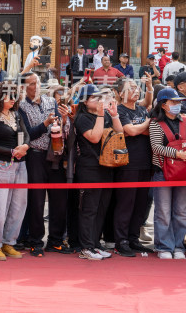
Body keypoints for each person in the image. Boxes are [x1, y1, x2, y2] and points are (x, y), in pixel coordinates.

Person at [17, 72, 71, 257]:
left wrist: (63, 120)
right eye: (32, 84)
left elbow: (61, 128)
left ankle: (55, 240)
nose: (36, 86)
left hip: (55, 153)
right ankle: (35, 241)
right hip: (35, 156)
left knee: (59, 200)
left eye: (38, 82)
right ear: (24, 87)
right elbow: (28, 135)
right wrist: (45, 123)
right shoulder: (21, 107)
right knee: (37, 201)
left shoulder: (51, 101)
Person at [73, 84, 123, 261]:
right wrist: (102, 115)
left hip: (107, 166)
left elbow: (119, 132)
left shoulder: (105, 115)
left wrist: (114, 113)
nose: (100, 100)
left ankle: (94, 243)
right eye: (95, 98)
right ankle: (85, 247)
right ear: (85, 102)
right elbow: (94, 137)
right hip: (89, 168)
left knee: (102, 208)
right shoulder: (82, 118)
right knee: (89, 209)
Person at [0, 82, 30, 261]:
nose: (13, 99)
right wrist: (12, 151)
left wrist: (25, 146)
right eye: (9, 95)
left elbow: (26, 134)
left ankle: (8, 241)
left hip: (20, 165)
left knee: (18, 206)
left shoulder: (17, 115)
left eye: (14, 95)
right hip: (0, 165)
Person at [113, 77, 155, 257]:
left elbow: (144, 130)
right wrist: (148, 122)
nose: (136, 91)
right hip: (128, 164)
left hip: (146, 162)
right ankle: (120, 241)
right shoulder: (120, 110)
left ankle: (133, 238)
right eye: (131, 88)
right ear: (121, 93)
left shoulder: (140, 109)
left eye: (137, 88)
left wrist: (140, 127)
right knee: (126, 203)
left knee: (141, 204)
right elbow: (129, 131)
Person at [149, 88, 186, 260]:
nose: (178, 105)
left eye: (179, 102)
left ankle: (178, 246)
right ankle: (164, 246)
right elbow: (156, 147)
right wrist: (177, 154)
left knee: (181, 211)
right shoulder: (155, 123)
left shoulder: (184, 121)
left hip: (182, 172)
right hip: (162, 171)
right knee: (163, 211)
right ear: (163, 105)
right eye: (174, 102)